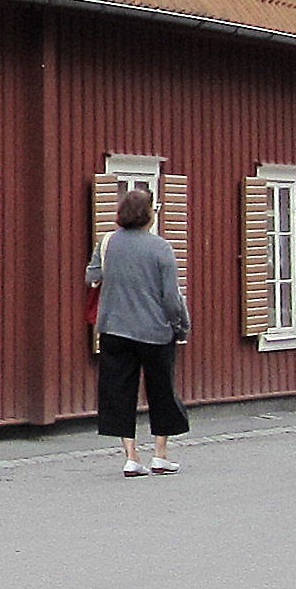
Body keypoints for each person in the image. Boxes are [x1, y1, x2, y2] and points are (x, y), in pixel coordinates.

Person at [88, 184, 190, 474]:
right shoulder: (161, 248)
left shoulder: (107, 243)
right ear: (149, 214)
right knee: (161, 390)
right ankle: (160, 453)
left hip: (114, 329)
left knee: (119, 390)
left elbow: (92, 276)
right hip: (155, 331)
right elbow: (171, 297)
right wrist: (181, 326)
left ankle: (131, 457)